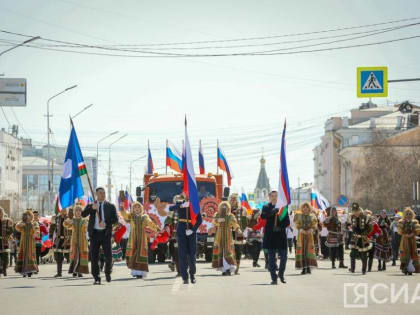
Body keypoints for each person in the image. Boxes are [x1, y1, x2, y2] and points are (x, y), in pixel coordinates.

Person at [82, 187, 118, 284]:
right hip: (94, 234)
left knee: (108, 255)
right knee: (94, 257)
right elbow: (83, 214)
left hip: (105, 234)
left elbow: (115, 220)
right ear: (96, 194)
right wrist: (91, 208)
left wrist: (105, 223)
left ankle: (107, 272)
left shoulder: (110, 206)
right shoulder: (92, 205)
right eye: (100, 193)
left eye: (104, 193)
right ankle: (96, 277)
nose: (102, 194)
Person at [169, 192, 202, 284]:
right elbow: (170, 208)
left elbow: (199, 220)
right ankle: (185, 277)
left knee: (192, 255)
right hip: (181, 229)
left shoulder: (195, 205)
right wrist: (181, 205)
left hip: (191, 230)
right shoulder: (181, 203)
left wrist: (193, 230)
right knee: (182, 254)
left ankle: (192, 275)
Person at [121, 201, 159, 279]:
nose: (137, 209)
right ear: (133, 209)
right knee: (133, 254)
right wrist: (122, 207)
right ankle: (135, 271)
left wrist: (157, 229)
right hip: (133, 238)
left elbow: (150, 223)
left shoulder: (145, 216)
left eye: (138, 207)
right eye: (135, 207)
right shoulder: (131, 216)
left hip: (142, 239)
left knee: (141, 254)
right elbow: (124, 215)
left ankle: (141, 272)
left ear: (141, 208)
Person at [261, 191, 290, 284]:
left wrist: (280, 227)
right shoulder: (266, 207)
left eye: (276, 196)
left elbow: (287, 222)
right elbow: (263, 216)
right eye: (272, 196)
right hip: (270, 235)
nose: (274, 197)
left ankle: (281, 274)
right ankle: (274, 278)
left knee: (284, 256)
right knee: (271, 259)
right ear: (269, 197)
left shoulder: (283, 207)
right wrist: (272, 212)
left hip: (280, 235)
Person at [212, 201, 241, 276]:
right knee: (221, 252)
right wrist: (219, 220)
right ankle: (223, 269)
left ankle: (228, 269)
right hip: (219, 235)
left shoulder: (231, 216)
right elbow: (214, 222)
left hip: (228, 236)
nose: (224, 208)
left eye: (226, 206)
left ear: (229, 208)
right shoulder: (217, 215)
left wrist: (238, 229)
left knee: (227, 252)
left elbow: (235, 224)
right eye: (222, 206)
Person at [63, 204, 89, 277]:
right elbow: (65, 224)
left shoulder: (84, 220)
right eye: (76, 210)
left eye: (80, 210)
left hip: (82, 241)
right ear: (74, 212)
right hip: (74, 241)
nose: (78, 212)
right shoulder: (72, 220)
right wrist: (68, 221)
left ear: (82, 212)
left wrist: (86, 225)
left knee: (81, 255)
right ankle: (74, 270)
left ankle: (80, 271)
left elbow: (87, 227)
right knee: (74, 255)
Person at [294, 202, 318, 275]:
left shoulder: (312, 215)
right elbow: (296, 223)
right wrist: (301, 229)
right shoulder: (298, 215)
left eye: (306, 207)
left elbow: (315, 224)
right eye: (304, 207)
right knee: (302, 251)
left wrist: (310, 230)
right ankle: (303, 268)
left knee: (308, 251)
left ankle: (309, 268)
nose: (305, 208)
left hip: (309, 236)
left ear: (309, 208)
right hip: (301, 235)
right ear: (302, 208)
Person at [348, 203, 372, 275]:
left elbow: (369, 228)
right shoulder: (352, 217)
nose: (355, 213)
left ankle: (363, 270)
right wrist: (354, 233)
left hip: (363, 238)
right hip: (355, 238)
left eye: (356, 211)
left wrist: (362, 235)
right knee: (352, 254)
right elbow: (353, 227)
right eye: (354, 211)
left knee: (363, 255)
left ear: (359, 211)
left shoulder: (365, 217)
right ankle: (352, 269)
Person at [15, 210, 39, 277]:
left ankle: (30, 271)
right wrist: (20, 224)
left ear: (31, 216)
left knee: (30, 255)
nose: (27, 216)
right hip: (23, 241)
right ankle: (23, 270)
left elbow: (37, 229)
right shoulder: (22, 223)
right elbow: (17, 227)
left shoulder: (34, 223)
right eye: (26, 215)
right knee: (23, 255)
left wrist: (36, 233)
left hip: (31, 241)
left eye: (28, 215)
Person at [229, 194, 248, 275]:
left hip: (238, 233)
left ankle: (237, 268)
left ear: (237, 200)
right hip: (229, 233)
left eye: (235, 199)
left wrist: (243, 231)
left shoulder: (242, 209)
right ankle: (229, 267)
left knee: (238, 251)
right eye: (232, 199)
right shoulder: (227, 209)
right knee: (229, 251)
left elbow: (244, 223)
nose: (233, 201)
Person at [397, 207, 420, 275]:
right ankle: (405, 268)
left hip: (412, 240)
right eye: (407, 214)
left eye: (410, 214)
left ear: (412, 214)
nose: (408, 215)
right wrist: (405, 234)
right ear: (404, 215)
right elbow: (399, 231)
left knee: (412, 253)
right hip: (405, 240)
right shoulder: (401, 222)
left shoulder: (415, 222)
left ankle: (411, 269)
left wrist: (413, 234)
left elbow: (417, 230)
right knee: (405, 254)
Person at [49, 208, 70, 277]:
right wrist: (51, 236)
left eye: (64, 210)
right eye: (62, 209)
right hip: (58, 239)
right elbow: (52, 227)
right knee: (58, 256)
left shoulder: (69, 218)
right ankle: (59, 272)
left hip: (67, 239)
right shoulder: (57, 218)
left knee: (69, 256)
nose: (63, 211)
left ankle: (75, 270)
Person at [0, 207, 13, 276]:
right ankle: (1, 269)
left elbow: (11, 231)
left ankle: (4, 269)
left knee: (5, 257)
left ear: (3, 213)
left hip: (5, 241)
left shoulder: (7, 221)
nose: (0, 214)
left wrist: (10, 227)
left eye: (1, 212)